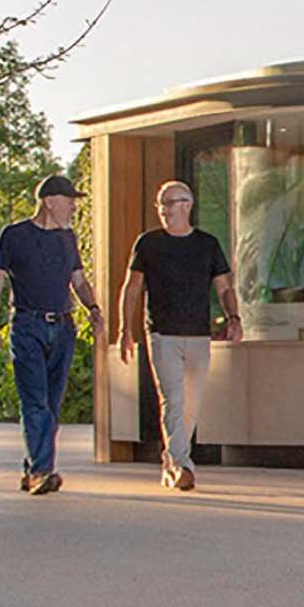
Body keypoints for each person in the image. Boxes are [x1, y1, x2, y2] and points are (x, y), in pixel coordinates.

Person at [115, 177, 239, 493]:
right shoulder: (148, 243)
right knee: (172, 398)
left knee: (191, 404)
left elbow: (224, 286)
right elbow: (132, 288)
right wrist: (125, 330)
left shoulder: (207, 244)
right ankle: (183, 464)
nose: (164, 210)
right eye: (161, 204)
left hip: (198, 334)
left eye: (170, 203)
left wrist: (234, 318)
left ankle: (171, 461)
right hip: (162, 334)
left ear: (187, 205)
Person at [0, 173, 101, 496]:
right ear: (49, 202)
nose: (74, 208)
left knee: (51, 403)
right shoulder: (15, 235)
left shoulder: (68, 238)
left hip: (63, 326)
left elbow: (78, 280)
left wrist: (93, 308)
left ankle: (34, 465)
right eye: (69, 202)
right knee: (35, 401)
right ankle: (41, 471)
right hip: (27, 326)